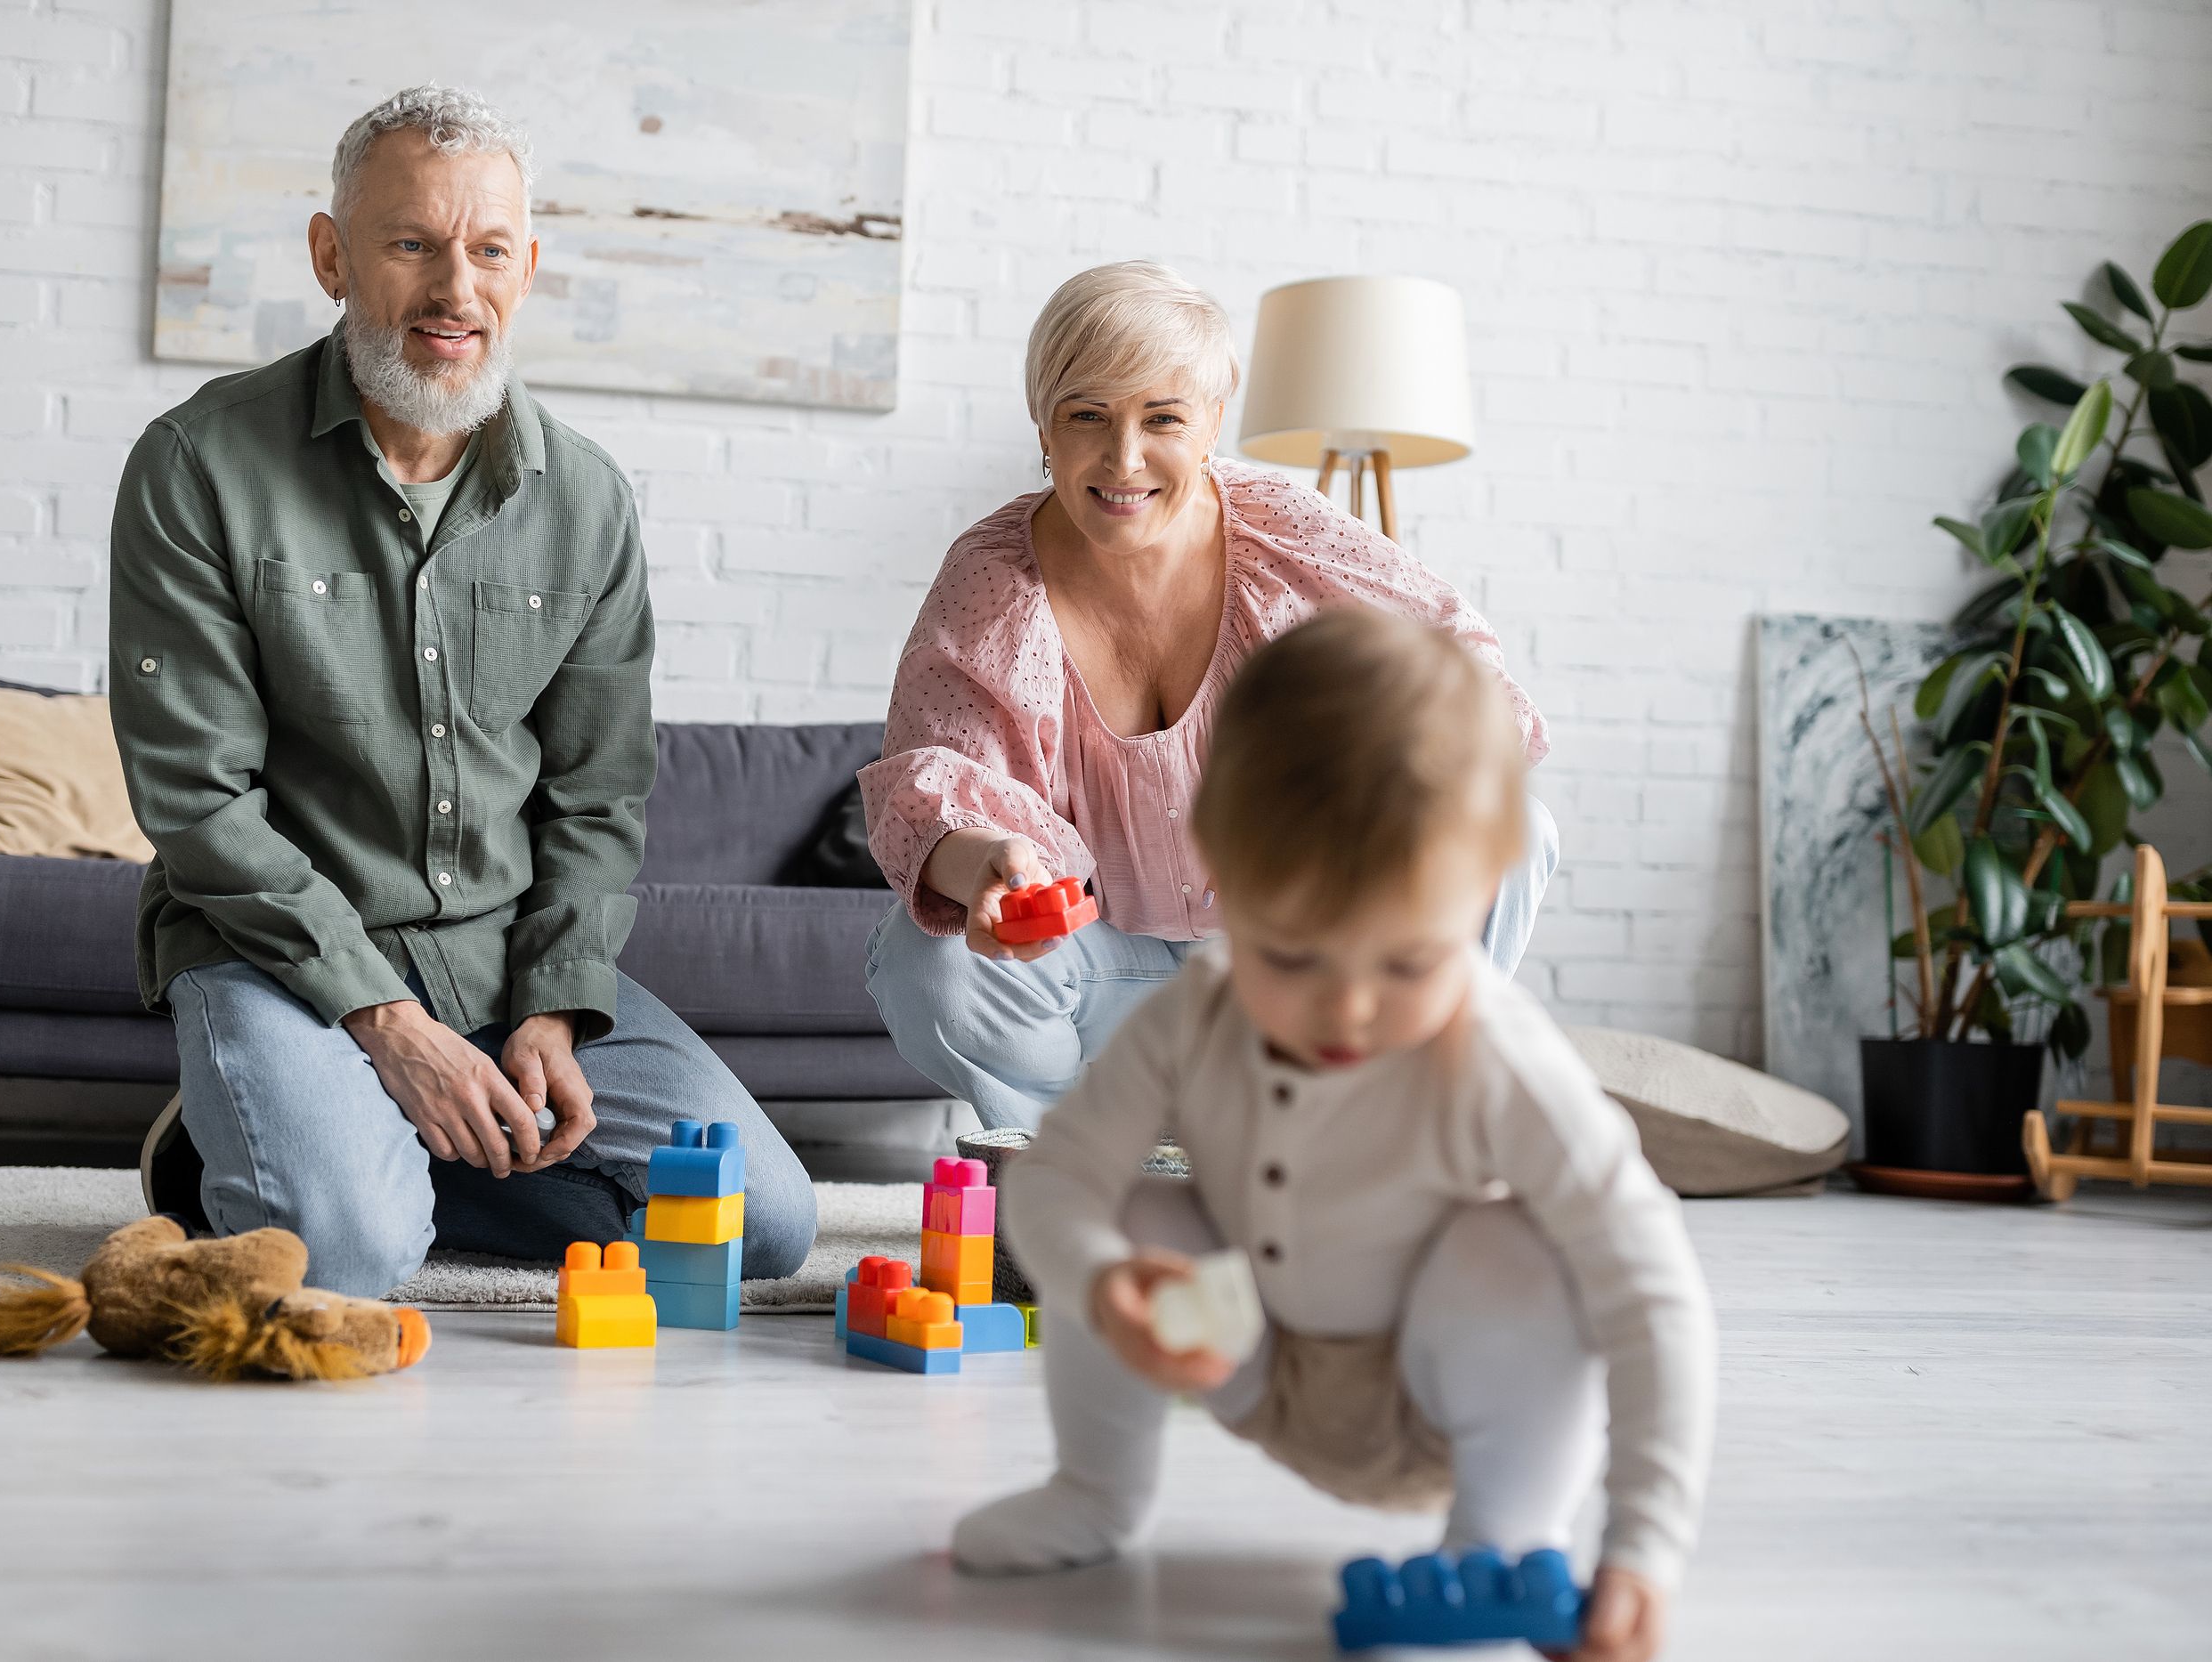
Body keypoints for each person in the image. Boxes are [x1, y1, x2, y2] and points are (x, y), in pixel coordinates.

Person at [109, 85, 815, 1297]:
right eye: (411, 243)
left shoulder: (586, 499)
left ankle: (348, 1145)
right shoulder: (196, 466)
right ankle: (278, 1140)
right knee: (346, 1254)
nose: (455, 289)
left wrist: (553, 1009)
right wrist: (386, 1023)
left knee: (761, 1225)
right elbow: (198, 803)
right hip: (281, 954)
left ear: (527, 267)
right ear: (333, 256)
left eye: (489, 249)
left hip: (500, 959)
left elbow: (598, 797)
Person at [952, 609, 1714, 1662]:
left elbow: (1651, 1289)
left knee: (1519, 1251)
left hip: (1434, 1403)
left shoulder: (1498, 1056)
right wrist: (1096, 1283)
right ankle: (1093, 1492)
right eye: (1295, 957)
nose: (1347, 1010)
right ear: (1218, 875)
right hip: (1249, 1359)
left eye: (1407, 963)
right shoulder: (1196, 1011)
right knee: (1136, 1209)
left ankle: (1496, 1546)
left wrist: (1644, 1548)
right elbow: (1054, 1182)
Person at [860, 260, 1557, 1131]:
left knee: (1509, 826)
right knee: (924, 960)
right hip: (1099, 977)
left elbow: (1460, 675)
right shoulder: (993, 577)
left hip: (1304, 967)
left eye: (1160, 418)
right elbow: (942, 788)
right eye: (1087, 416)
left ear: (1211, 422)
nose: (1122, 459)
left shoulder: (1282, 532)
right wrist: (991, 867)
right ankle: (1078, 1165)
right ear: (1044, 422)